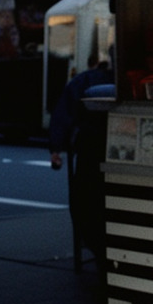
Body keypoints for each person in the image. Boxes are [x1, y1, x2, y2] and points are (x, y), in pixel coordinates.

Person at [50, 53, 115, 269]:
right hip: (112, 144)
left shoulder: (83, 81)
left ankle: (97, 250)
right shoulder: (118, 79)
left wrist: (56, 149)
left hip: (90, 148)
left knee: (86, 203)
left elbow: (63, 115)